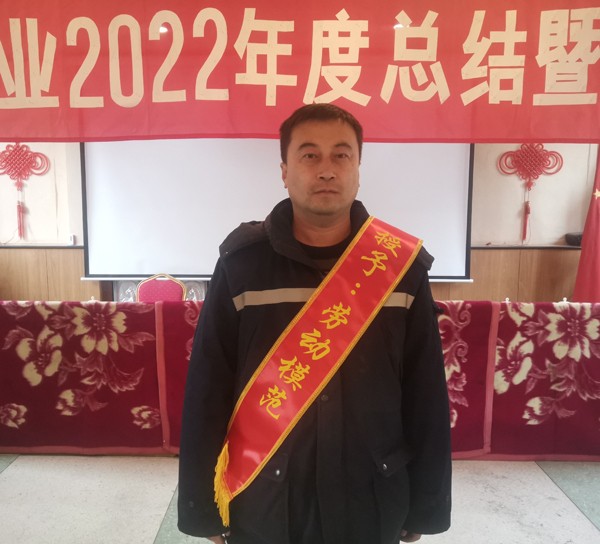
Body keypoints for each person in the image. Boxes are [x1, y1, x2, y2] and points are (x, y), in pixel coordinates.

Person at [177, 103, 452, 544]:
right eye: (309, 155)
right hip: (264, 496)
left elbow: (425, 393)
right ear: (284, 171)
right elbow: (208, 387)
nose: (326, 169)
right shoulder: (242, 265)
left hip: (373, 492)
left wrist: (426, 505)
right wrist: (202, 508)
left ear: (358, 169)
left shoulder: (400, 268)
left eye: (341, 155)